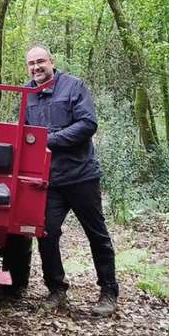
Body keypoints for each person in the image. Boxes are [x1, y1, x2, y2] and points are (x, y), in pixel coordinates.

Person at [21, 44, 118, 317]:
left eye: (41, 61)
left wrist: (48, 139)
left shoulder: (74, 86)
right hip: (49, 179)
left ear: (51, 61)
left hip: (81, 175)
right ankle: (57, 289)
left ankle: (109, 292)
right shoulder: (27, 94)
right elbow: (25, 133)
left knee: (96, 234)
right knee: (46, 233)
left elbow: (88, 124)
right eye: (31, 63)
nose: (37, 67)